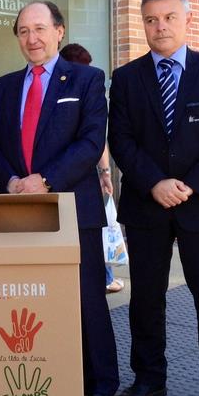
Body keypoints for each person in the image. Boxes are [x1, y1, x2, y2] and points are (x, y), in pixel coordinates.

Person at [108, 0, 199, 396]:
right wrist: (155, 184)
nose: (159, 26)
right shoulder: (126, 79)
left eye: (168, 17)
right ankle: (149, 377)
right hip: (147, 206)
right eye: (150, 19)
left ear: (188, 19)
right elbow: (122, 140)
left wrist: (188, 185)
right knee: (146, 296)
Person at [0, 1, 119, 396]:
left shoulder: (88, 79)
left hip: (74, 209)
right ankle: (46, 377)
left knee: (86, 299)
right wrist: (10, 183)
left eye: (40, 28)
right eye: (23, 31)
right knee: (31, 303)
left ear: (59, 31)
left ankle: (101, 385)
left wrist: (45, 179)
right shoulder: (0, 88)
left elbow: (91, 141)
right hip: (20, 211)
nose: (32, 38)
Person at [59, 43, 124, 293]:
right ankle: (105, 277)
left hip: (73, 179)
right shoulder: (85, 88)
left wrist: (105, 173)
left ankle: (103, 277)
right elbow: (98, 142)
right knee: (92, 236)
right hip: (81, 179)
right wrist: (105, 173)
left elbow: (97, 141)